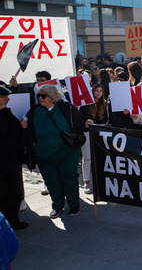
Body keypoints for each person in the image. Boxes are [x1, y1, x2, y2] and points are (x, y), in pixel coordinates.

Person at [23, 84, 86, 218]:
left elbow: (79, 123)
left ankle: (74, 205)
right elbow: (27, 129)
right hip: (45, 155)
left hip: (67, 152)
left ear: (52, 97)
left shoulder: (65, 108)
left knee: (69, 179)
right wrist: (33, 143)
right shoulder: (34, 111)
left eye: (43, 96)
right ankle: (57, 206)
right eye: (38, 95)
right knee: (52, 181)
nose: (40, 98)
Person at [0, 86, 28, 230]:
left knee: (14, 192)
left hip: (12, 161)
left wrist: (22, 127)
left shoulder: (7, 113)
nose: (8, 99)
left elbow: (16, 134)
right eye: (4, 97)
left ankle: (13, 221)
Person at [79, 83, 108, 194]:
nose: (99, 93)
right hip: (87, 133)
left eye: (101, 91)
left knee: (99, 157)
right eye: (97, 90)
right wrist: (86, 122)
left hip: (99, 134)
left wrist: (95, 123)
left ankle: (98, 181)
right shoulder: (85, 104)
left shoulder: (105, 104)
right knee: (87, 158)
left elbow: (105, 120)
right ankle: (87, 182)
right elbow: (80, 118)